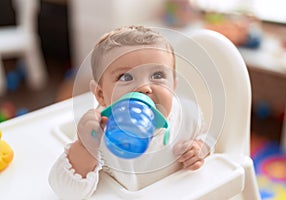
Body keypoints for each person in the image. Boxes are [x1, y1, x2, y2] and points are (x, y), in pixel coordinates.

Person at [48, 25, 214, 199]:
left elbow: (207, 137)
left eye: (157, 75)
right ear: (101, 95)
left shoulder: (187, 114)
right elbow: (66, 192)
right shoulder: (97, 133)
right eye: (126, 77)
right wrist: (84, 148)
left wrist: (199, 149)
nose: (144, 87)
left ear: (173, 85)